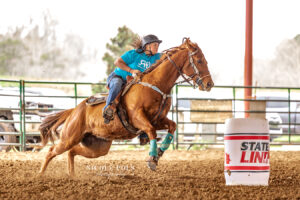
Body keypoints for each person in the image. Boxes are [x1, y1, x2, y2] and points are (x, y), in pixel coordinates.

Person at [102, 34, 162, 144]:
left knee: (145, 102)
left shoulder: (157, 57)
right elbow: (117, 62)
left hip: (135, 83)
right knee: (116, 84)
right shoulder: (134, 54)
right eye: (155, 45)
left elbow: (169, 58)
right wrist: (131, 70)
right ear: (147, 46)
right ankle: (108, 109)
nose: (157, 47)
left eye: (158, 45)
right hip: (119, 76)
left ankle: (144, 133)